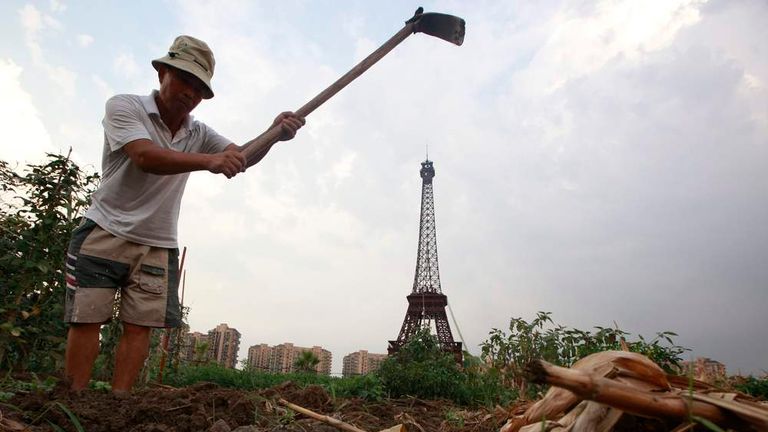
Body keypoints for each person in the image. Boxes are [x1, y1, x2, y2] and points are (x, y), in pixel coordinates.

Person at [63, 35, 305, 394]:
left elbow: (241, 157)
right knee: (87, 320)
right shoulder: (125, 107)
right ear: (162, 72)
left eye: (198, 87)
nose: (189, 92)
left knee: (139, 326)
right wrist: (210, 161)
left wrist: (273, 135)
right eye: (183, 79)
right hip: (105, 231)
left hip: (157, 243)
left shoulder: (199, 132)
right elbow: (145, 157)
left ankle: (118, 403)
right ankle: (74, 400)